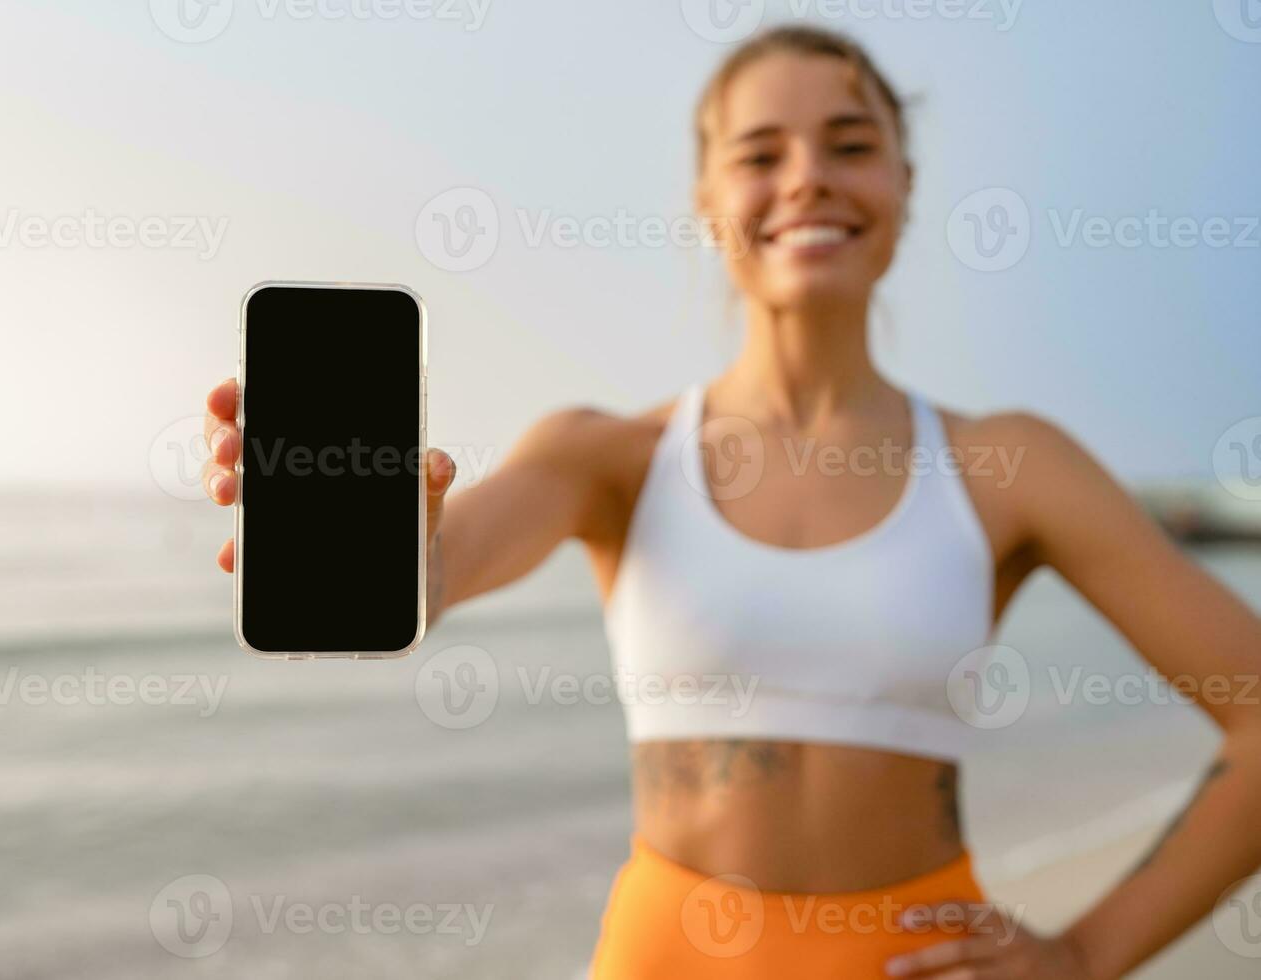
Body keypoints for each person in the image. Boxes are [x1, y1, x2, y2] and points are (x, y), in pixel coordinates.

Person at [199, 25, 1261, 979]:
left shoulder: (1011, 465)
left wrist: (1084, 952)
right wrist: (382, 543)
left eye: (850, 145)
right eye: (759, 154)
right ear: (707, 199)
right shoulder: (609, 455)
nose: (806, 179)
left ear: (904, 181)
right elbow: (440, 568)